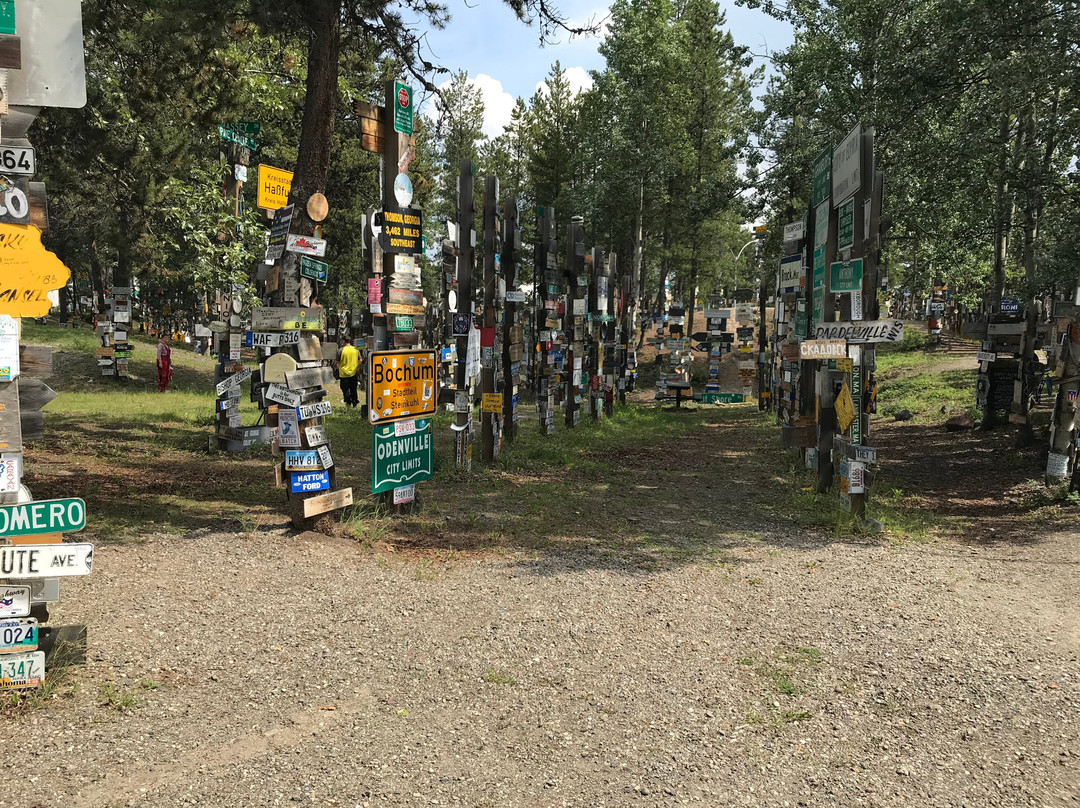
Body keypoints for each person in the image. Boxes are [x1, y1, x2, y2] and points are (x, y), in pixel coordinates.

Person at [338, 338, 359, 408]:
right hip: (353, 372)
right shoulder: (355, 349)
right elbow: (360, 359)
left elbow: (337, 361)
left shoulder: (341, 350)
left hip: (343, 373)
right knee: (353, 388)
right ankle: (355, 401)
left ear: (344, 341)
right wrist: (356, 367)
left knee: (345, 389)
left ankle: (348, 401)